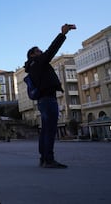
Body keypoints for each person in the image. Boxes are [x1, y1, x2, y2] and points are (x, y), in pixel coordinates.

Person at [24, 23, 76, 169]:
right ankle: (49, 159)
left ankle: (44, 158)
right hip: (48, 99)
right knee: (50, 130)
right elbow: (52, 50)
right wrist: (63, 34)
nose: (42, 52)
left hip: (43, 100)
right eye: (38, 50)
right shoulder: (38, 62)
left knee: (46, 130)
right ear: (33, 54)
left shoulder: (32, 67)